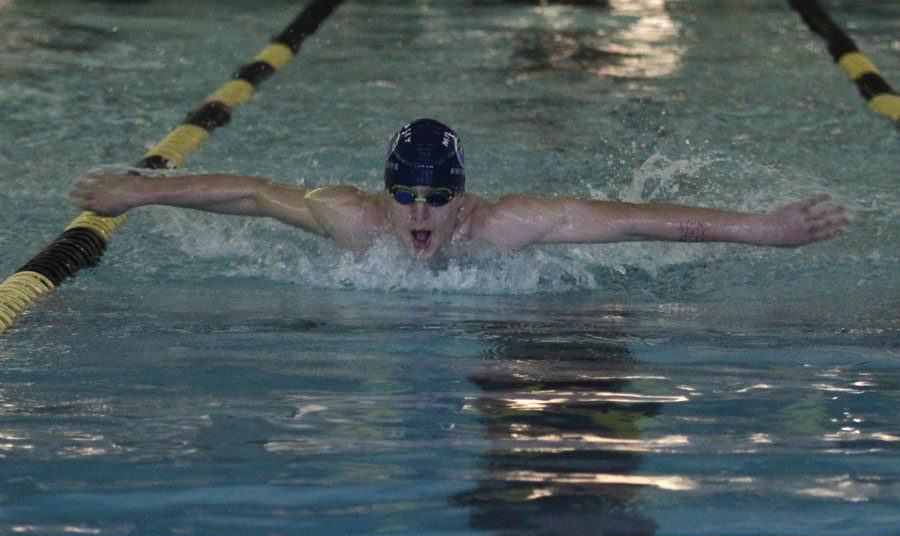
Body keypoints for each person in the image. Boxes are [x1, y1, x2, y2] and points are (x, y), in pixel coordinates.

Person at [71, 118, 847, 260]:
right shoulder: (355, 221)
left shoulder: (507, 226)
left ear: (460, 201)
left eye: (435, 200)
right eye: (405, 197)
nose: (417, 213)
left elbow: (640, 223)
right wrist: (135, 193)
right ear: (385, 194)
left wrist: (763, 230)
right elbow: (249, 194)